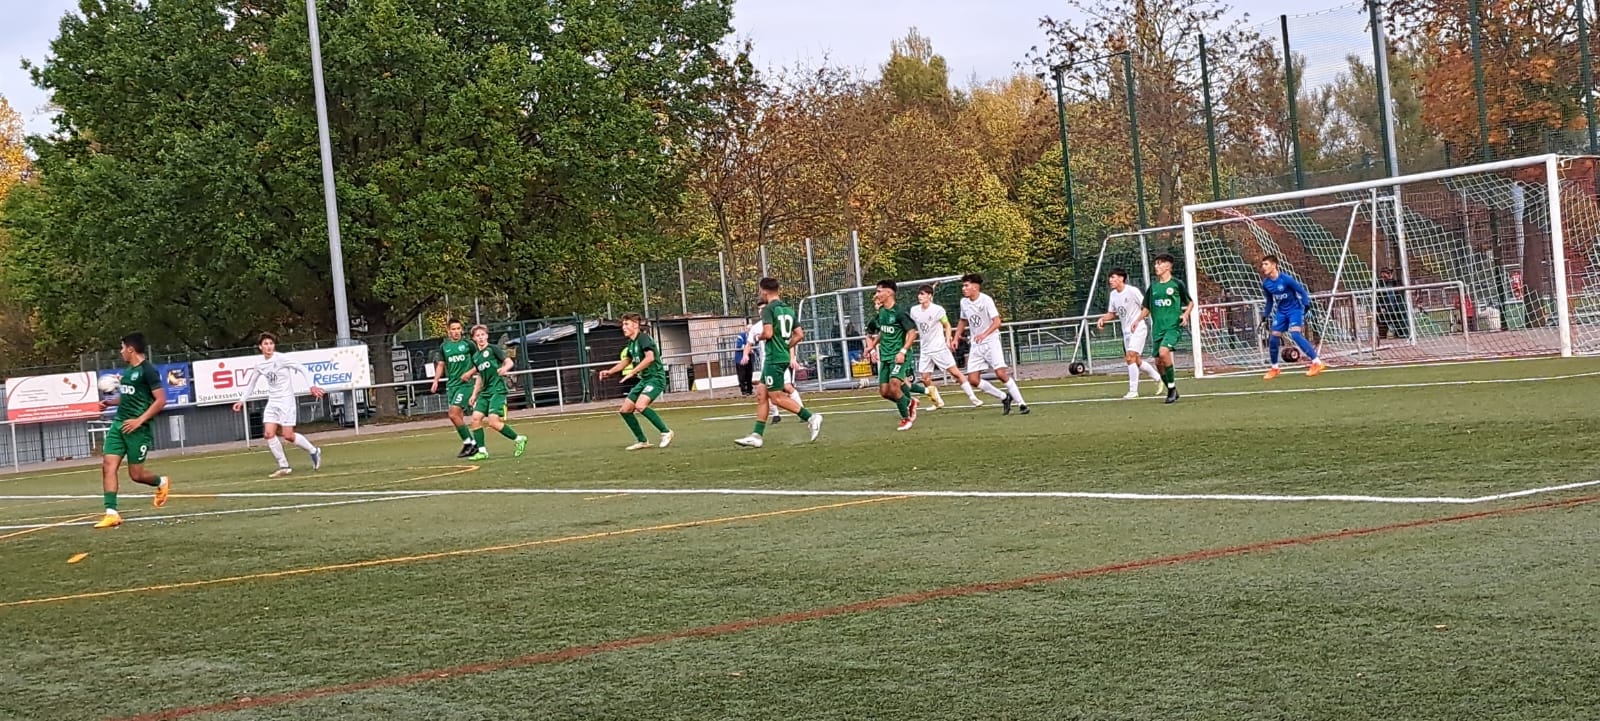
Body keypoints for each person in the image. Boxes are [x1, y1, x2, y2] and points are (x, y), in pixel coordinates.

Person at [94, 333, 173, 529]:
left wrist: (139, 420)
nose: (120, 351)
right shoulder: (128, 371)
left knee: (136, 475)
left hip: (138, 429)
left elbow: (161, 400)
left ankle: (161, 482)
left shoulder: (148, 371)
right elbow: (129, 397)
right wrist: (110, 403)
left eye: (122, 348)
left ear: (130, 349)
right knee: (108, 465)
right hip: (119, 424)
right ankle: (111, 513)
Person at [735, 277, 823, 448]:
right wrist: (786, 346)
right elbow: (799, 334)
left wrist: (757, 337)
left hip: (774, 358)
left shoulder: (768, 309)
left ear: (764, 291)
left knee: (776, 398)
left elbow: (768, 333)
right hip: (781, 356)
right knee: (761, 394)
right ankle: (757, 435)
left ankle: (811, 417)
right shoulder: (788, 309)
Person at [232, 333, 326, 477]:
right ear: (260, 347)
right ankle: (284, 466)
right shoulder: (259, 364)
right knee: (268, 434)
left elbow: (302, 368)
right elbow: (252, 383)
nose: (269, 346)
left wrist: (311, 386)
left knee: (288, 435)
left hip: (286, 401)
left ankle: (314, 451)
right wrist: (242, 400)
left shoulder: (281, 358)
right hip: (273, 401)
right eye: (266, 344)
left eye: (271, 343)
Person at [951, 274, 1028, 414]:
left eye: (966, 285)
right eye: (963, 286)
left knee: (1000, 374)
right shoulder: (964, 302)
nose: (964, 288)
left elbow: (997, 322)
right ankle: (1004, 397)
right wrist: (956, 338)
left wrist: (984, 334)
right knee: (973, 379)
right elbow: (963, 320)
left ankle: (1022, 404)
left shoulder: (986, 300)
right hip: (976, 344)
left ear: (975, 287)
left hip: (991, 342)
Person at [599, 313, 675, 450]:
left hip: (656, 378)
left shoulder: (643, 338)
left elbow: (650, 358)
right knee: (625, 410)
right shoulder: (631, 343)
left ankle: (666, 432)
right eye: (623, 324)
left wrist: (633, 372)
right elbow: (626, 361)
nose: (623, 327)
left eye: (626, 324)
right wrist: (610, 372)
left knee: (640, 405)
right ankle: (642, 441)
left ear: (635, 325)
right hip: (644, 380)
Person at [864, 280, 924, 431]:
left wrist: (903, 351)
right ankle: (910, 402)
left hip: (898, 356)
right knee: (885, 392)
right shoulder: (881, 312)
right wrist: (871, 346)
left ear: (889, 292)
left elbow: (912, 333)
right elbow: (882, 332)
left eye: (879, 291)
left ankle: (906, 419)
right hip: (885, 356)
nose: (876, 295)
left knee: (895, 384)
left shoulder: (899, 312)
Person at [462, 325, 529, 460]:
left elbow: (509, 362)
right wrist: (474, 394)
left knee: (493, 422)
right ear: (474, 338)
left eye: (482, 334)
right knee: (475, 419)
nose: (481, 337)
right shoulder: (476, 356)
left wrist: (505, 369)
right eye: (477, 336)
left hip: (497, 390)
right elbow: (480, 376)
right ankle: (482, 451)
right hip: (485, 392)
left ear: (487, 336)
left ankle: (519, 439)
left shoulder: (493, 349)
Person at [909, 284, 981, 407]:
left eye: (923, 294)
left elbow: (947, 325)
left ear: (930, 296)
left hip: (939, 347)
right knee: (925, 378)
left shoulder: (938, 310)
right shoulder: (914, 310)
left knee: (955, 373)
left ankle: (973, 397)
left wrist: (948, 340)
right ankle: (938, 402)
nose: (919, 296)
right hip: (925, 349)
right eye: (919, 294)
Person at [1096, 268, 1164, 399]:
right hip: (1126, 331)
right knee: (1136, 361)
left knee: (1130, 357)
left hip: (1138, 328)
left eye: (1113, 277)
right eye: (1110, 278)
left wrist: (1138, 320)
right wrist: (1102, 319)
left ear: (1121, 278)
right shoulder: (1113, 295)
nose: (1110, 280)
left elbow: (1146, 307)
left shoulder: (1132, 291)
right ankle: (1158, 378)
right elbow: (1112, 313)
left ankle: (1133, 391)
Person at [1259, 255, 1328, 380]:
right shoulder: (1266, 284)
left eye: (1266, 264)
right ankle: (1275, 368)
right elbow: (1269, 301)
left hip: (1294, 310)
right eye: (1263, 264)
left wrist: (1306, 305)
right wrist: (1265, 316)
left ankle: (1317, 363)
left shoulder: (1286, 279)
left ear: (1274, 265)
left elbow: (1301, 291)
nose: (1263, 267)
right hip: (1281, 312)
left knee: (1295, 334)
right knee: (1273, 338)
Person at [1137, 254, 1192, 404]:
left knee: (1163, 352)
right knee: (1158, 362)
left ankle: (1172, 389)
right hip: (1157, 329)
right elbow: (1147, 308)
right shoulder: (1153, 288)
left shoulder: (1176, 284)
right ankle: (1171, 388)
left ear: (1168, 266)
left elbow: (1190, 302)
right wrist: (1137, 320)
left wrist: (1185, 314)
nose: (1156, 266)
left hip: (1173, 327)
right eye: (1155, 264)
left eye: (1160, 263)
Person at [740, 300, 804, 424]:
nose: (761, 311)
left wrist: (792, 358)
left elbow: (789, 341)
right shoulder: (756, 327)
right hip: (767, 362)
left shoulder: (777, 323)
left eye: (764, 308)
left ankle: (804, 413)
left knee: (787, 387)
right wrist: (745, 355)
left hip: (778, 361)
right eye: (759, 309)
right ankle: (775, 415)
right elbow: (749, 343)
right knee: (763, 391)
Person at [429, 319, 479, 458]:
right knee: (458, 416)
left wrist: (469, 373)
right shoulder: (444, 346)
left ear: (461, 330)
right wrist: (435, 380)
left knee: (453, 414)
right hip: (452, 386)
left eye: (458, 328)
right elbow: (441, 364)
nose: (456, 331)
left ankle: (471, 443)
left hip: (465, 385)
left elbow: (479, 361)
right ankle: (469, 443)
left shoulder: (468, 344)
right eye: (453, 329)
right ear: (448, 331)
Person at [1376, 268, 1407, 339]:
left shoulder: (1395, 283)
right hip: (1386, 308)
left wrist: (1391, 279)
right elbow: (1379, 298)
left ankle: (1400, 334)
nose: (1383, 278)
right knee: (1384, 324)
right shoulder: (1380, 285)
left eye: (1385, 276)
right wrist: (1381, 307)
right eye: (1382, 277)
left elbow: (1400, 290)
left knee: (1399, 324)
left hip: (1396, 307)